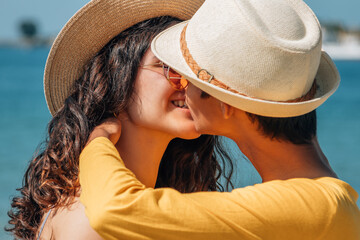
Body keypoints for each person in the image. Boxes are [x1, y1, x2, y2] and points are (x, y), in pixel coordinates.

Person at [78, 0, 360, 239]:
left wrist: (98, 139)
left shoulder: (310, 208)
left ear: (225, 102)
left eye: (187, 74)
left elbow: (113, 210)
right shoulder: (319, 202)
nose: (181, 85)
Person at [6, 0, 235, 239]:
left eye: (195, 70)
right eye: (169, 68)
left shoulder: (130, 197)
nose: (189, 84)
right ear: (117, 79)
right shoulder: (90, 220)